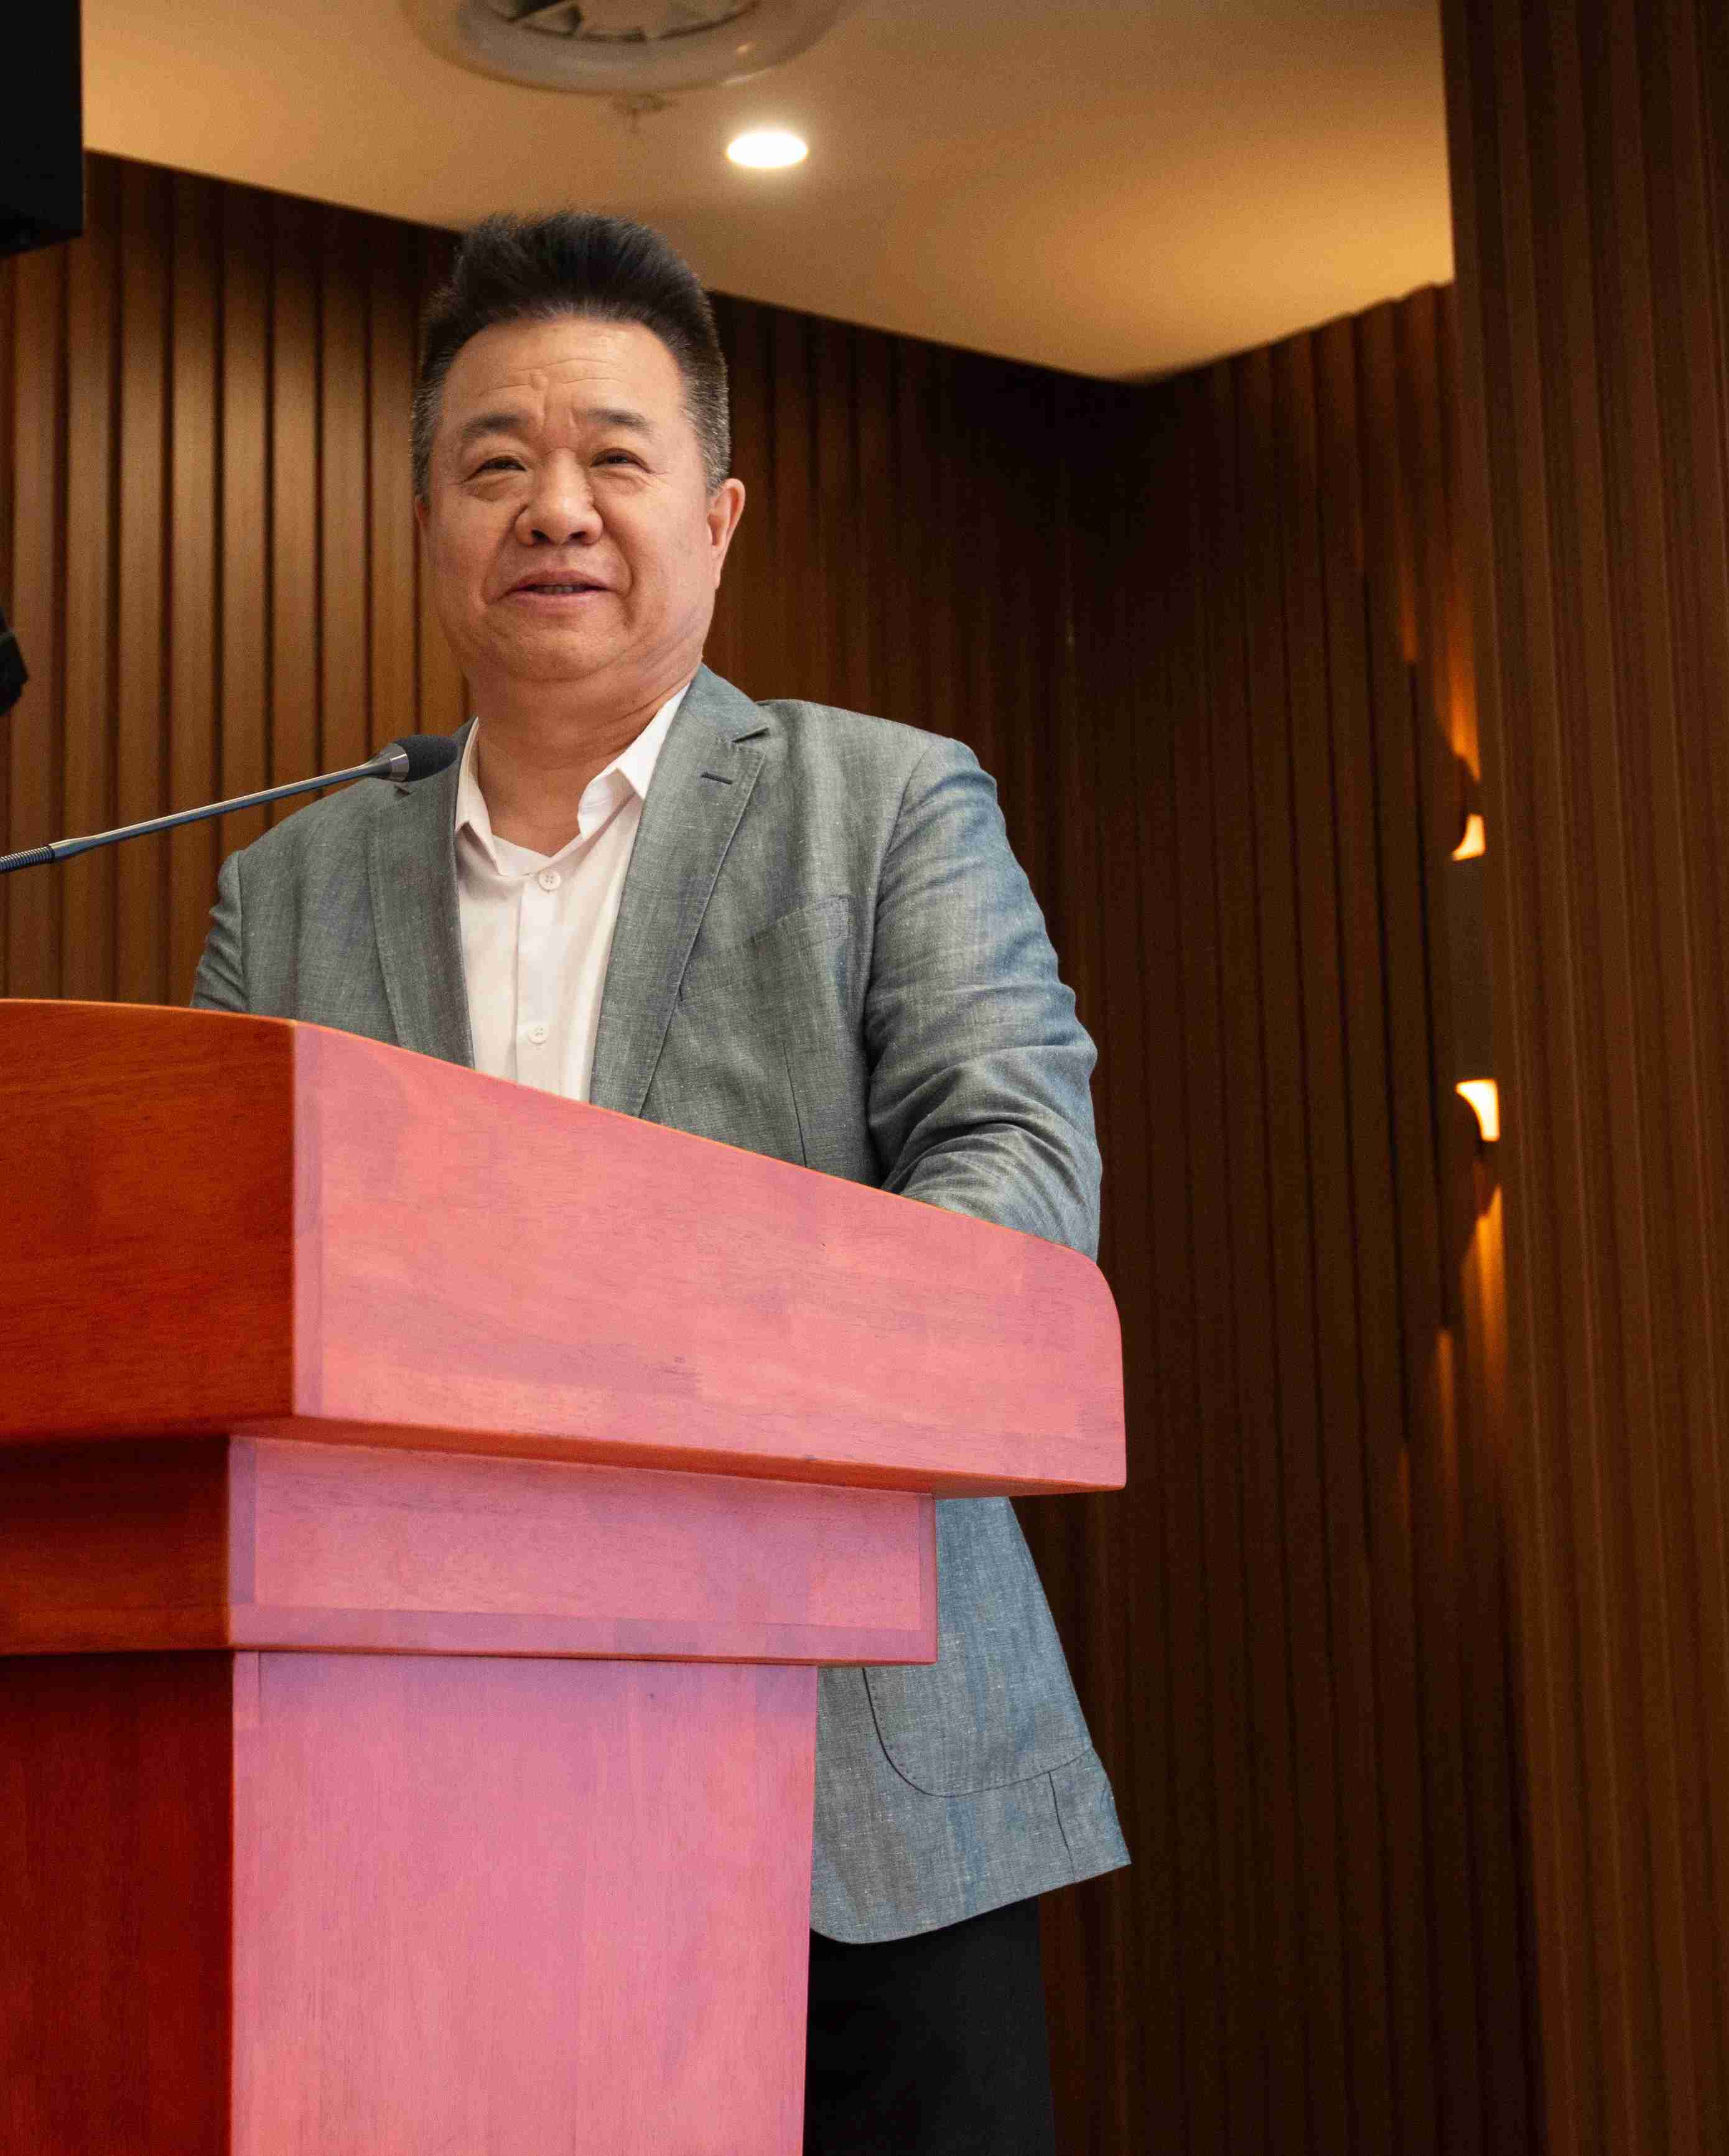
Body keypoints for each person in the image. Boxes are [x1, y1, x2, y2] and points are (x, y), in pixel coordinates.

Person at [189, 208, 1122, 2155]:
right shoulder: (281, 893)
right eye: (494, 463)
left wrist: (662, 1334)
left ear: (715, 516)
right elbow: (208, 1291)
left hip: (855, 1802)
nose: (554, 507)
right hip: (409, 1791)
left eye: (612, 456)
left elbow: (1020, 1190)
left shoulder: (882, 805)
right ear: (428, 522)